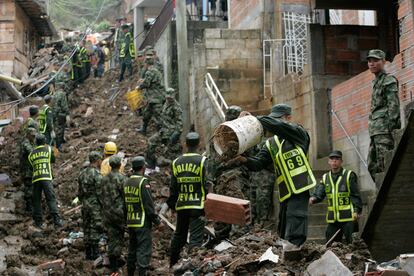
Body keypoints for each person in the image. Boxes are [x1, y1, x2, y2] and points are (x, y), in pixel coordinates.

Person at [229, 104, 316, 247]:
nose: (274, 123)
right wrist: (243, 159)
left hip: (300, 188)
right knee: (283, 229)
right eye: (273, 119)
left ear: (289, 118)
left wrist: (254, 119)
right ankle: (285, 257)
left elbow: (277, 126)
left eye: (278, 119)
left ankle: (294, 255)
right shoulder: (271, 144)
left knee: (295, 227)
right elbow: (258, 163)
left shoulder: (299, 134)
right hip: (286, 193)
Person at [160, 132, 208, 267]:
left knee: (179, 236)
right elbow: (207, 184)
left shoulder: (176, 163)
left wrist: (171, 205)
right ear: (199, 144)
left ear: (185, 144)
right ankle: (193, 268)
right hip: (198, 206)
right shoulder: (203, 161)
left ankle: (172, 264)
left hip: (182, 205)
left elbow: (173, 189)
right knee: (195, 239)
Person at [309, 150, 362, 244]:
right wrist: (314, 198)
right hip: (333, 219)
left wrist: (356, 210)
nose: (334, 161)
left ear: (341, 161)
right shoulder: (325, 177)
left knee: (353, 244)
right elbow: (320, 192)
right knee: (331, 245)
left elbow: (355, 194)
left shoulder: (349, 175)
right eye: (332, 159)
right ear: (329, 162)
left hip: (348, 218)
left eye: (337, 159)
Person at [366, 49, 401, 177]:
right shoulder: (376, 82)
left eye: (375, 61)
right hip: (375, 131)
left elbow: (394, 106)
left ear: (383, 61)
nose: (372, 64)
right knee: (372, 165)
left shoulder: (388, 80)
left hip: (384, 131)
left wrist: (393, 129)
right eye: (370, 61)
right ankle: (380, 193)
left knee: (384, 164)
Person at [124, 156, 161, 276]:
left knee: (132, 249)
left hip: (131, 220)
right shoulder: (143, 182)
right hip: (142, 222)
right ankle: (142, 273)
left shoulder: (127, 182)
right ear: (143, 167)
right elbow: (148, 205)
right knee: (143, 249)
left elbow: (124, 204)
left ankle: (130, 272)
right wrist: (157, 221)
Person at [28, 133, 62, 228]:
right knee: (51, 199)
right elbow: (53, 159)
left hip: (36, 179)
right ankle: (57, 220)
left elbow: (31, 167)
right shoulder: (49, 149)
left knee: (37, 200)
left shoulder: (31, 154)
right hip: (46, 177)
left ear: (36, 142)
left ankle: (38, 222)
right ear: (44, 141)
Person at [101, 156, 127, 274]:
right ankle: (115, 266)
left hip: (106, 212)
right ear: (120, 165)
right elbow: (125, 197)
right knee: (118, 237)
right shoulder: (122, 178)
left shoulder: (104, 179)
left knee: (111, 236)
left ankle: (112, 264)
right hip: (119, 212)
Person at [145, 88, 183, 168]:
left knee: (175, 155)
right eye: (168, 97)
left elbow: (180, 126)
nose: (169, 99)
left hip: (171, 134)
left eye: (170, 97)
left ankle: (178, 170)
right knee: (151, 142)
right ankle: (151, 165)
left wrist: (173, 138)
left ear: (173, 96)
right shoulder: (165, 103)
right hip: (163, 131)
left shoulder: (176, 108)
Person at [78, 151, 104, 260]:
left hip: (85, 203)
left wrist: (83, 201)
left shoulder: (82, 173)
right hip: (94, 205)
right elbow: (100, 192)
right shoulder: (97, 175)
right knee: (95, 227)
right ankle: (95, 254)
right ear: (97, 160)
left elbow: (79, 192)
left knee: (86, 226)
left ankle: (88, 253)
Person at [136, 53, 165, 134]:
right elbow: (151, 81)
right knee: (146, 114)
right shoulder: (156, 71)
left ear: (146, 63)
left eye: (145, 63)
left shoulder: (150, 71)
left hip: (156, 98)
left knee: (159, 116)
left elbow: (147, 83)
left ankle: (163, 134)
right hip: (152, 98)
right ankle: (143, 130)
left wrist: (139, 87)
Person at [19, 127, 37, 213]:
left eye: (34, 136)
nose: (34, 137)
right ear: (28, 135)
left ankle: (32, 205)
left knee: (32, 187)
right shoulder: (25, 143)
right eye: (32, 136)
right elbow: (32, 152)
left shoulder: (31, 142)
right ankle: (29, 207)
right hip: (26, 171)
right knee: (29, 188)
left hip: (30, 170)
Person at [51, 81, 69, 150]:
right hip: (60, 114)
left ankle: (58, 142)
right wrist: (67, 113)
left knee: (56, 128)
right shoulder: (62, 94)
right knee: (61, 129)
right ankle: (59, 145)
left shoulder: (54, 94)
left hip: (54, 114)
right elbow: (64, 105)